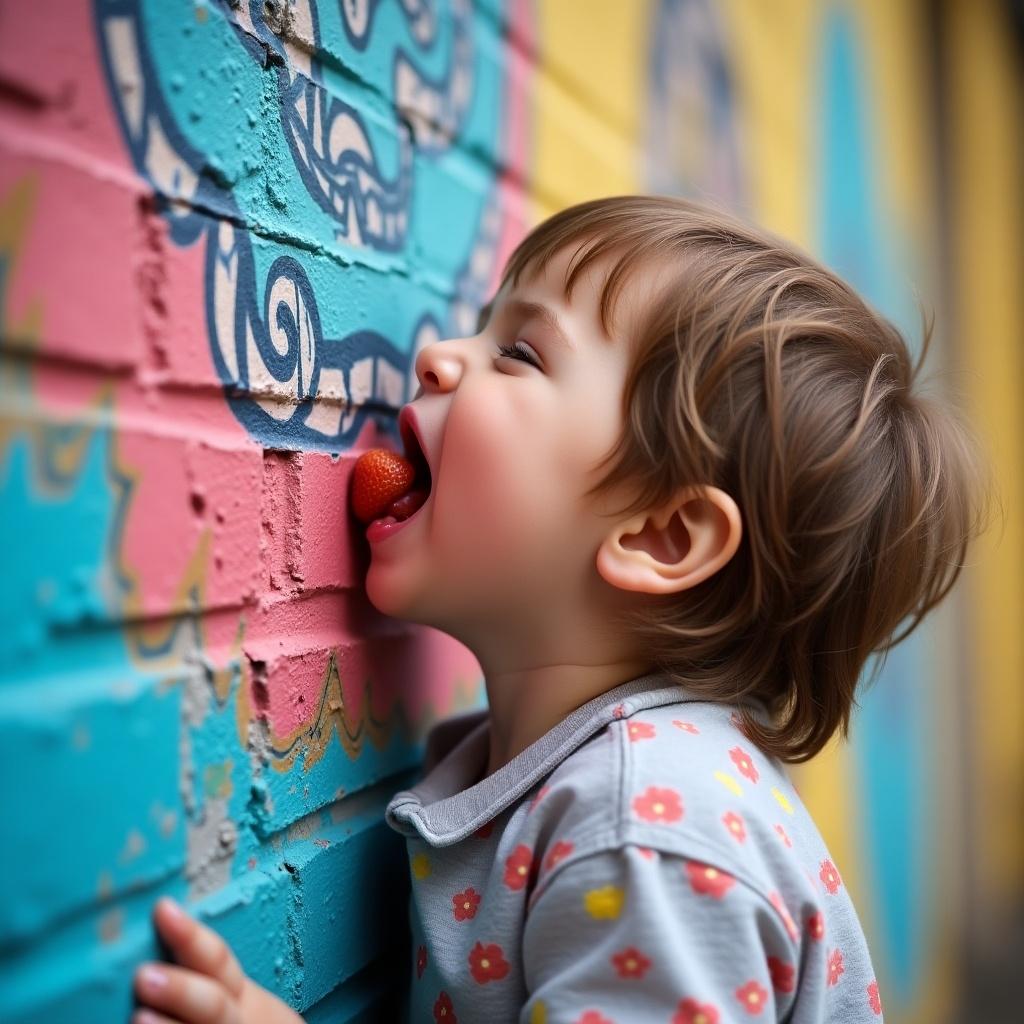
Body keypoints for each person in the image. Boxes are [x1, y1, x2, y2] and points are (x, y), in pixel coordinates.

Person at [130, 195, 990, 1024]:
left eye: (522, 355)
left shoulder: (647, 833)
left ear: (660, 536)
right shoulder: (592, 787)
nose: (439, 356)